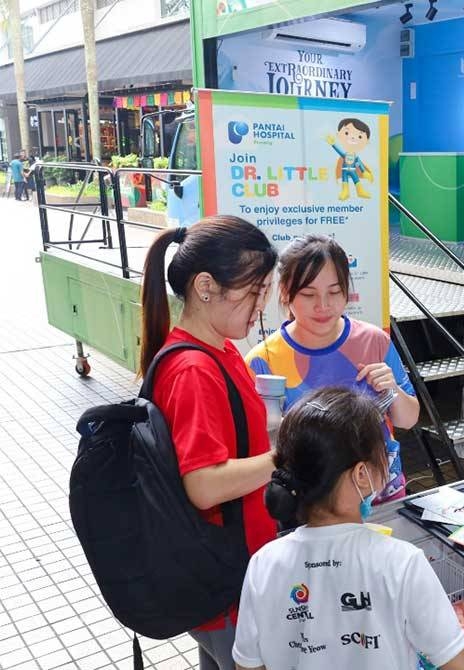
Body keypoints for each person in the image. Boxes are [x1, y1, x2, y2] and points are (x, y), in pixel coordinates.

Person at [232, 387, 464, 670]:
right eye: (384, 453)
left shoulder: (264, 563)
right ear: (362, 474)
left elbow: (248, 665)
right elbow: (461, 664)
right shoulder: (402, 562)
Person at [139, 216, 280, 670]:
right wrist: (283, 457)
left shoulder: (216, 348)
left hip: (222, 573)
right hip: (229, 584)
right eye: (254, 289)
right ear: (205, 286)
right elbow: (203, 483)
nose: (262, 303)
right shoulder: (195, 370)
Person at [246, 235, 419, 504]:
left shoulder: (375, 341)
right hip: (312, 506)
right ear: (284, 293)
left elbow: (408, 420)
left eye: (334, 292)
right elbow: (263, 450)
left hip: (382, 495)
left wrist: (393, 389)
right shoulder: (262, 361)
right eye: (308, 294)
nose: (323, 305)